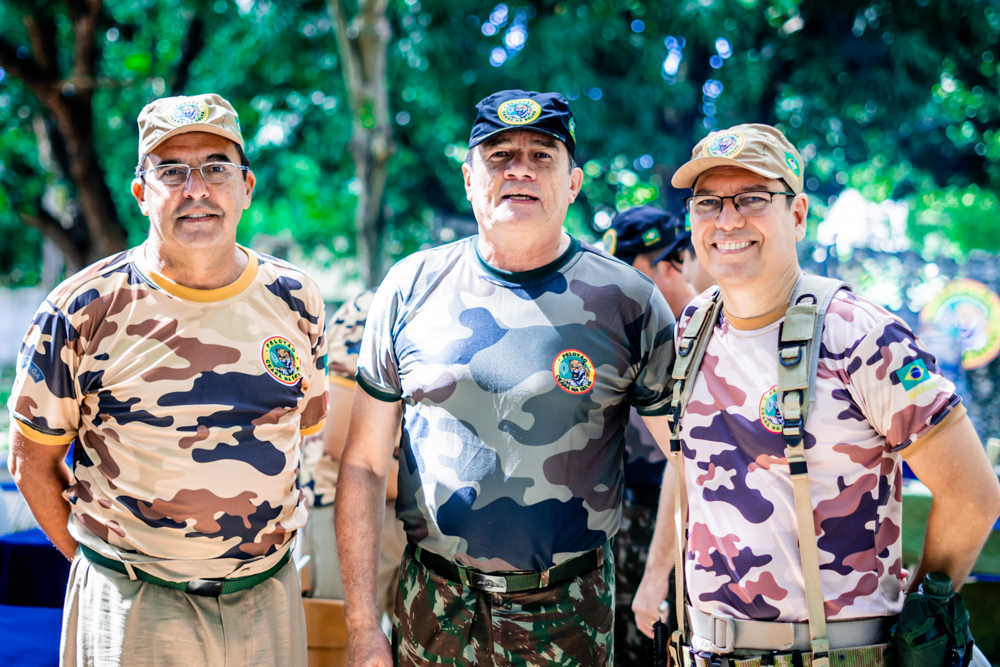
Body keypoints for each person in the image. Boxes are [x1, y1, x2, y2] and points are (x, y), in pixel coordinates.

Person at [335, 89, 678, 666]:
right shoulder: (410, 286)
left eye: (543, 155)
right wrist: (363, 625)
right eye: (499, 155)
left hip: (571, 613)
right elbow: (364, 464)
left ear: (573, 183)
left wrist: (668, 577)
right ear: (470, 179)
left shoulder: (628, 300)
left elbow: (694, 461)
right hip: (433, 606)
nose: (520, 168)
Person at [638, 123, 1000, 661]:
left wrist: (923, 616)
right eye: (708, 202)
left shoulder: (860, 334)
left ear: (799, 214)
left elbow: (973, 495)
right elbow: (683, 459)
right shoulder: (694, 326)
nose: (727, 219)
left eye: (752, 198)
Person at [6, 93, 328, 667]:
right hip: (133, 608)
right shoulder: (83, 307)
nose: (196, 188)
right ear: (140, 193)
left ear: (246, 188)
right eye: (171, 171)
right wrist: (106, 567)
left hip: (266, 603)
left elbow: (303, 428)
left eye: (216, 167)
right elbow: (31, 462)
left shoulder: (296, 299)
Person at [601, 205, 695, 665]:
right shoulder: (615, 326)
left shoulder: (708, 332)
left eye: (630, 271)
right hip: (616, 515)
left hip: (676, 518)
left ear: (668, 262)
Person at [298, 289, 407, 621]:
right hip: (346, 501)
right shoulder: (373, 307)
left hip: (408, 512)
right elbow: (340, 438)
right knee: (340, 640)